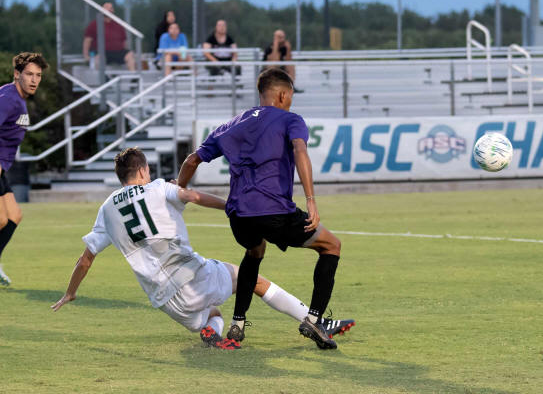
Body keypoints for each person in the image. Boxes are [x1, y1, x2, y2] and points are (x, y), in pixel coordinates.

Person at [51, 147, 354, 349]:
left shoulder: (106, 209)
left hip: (165, 299)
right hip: (192, 276)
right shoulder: (158, 187)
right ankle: (316, 321)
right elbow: (193, 196)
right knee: (254, 281)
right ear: (142, 170)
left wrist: (70, 292)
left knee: (213, 313)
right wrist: (230, 207)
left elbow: (85, 259)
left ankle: (213, 332)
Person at [177, 68, 345, 350]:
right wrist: (311, 200)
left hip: (239, 217)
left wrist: (178, 188)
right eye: (290, 97)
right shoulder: (291, 119)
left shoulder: (233, 124)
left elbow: (193, 159)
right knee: (331, 245)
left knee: (254, 251)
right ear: (282, 95)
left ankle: (238, 323)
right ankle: (314, 319)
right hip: (274, 211)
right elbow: (300, 150)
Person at [0, 52, 48, 287]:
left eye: (38, 75)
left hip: (2, 169)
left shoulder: (17, 99)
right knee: (1, 219)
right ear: (17, 74)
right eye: (29, 74)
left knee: (13, 216)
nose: (34, 80)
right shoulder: (8, 99)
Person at [83, 2, 135, 71]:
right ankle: (102, 77)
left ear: (113, 10)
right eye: (106, 8)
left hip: (118, 52)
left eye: (111, 8)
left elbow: (124, 41)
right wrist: (86, 56)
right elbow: (87, 41)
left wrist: (126, 50)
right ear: (101, 10)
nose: (109, 10)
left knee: (130, 55)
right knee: (98, 59)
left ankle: (133, 76)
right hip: (101, 53)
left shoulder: (118, 24)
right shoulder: (94, 24)